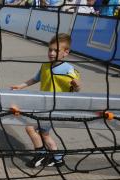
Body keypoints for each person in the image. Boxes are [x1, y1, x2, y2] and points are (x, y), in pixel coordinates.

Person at [11, 33, 81, 168]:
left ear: (66, 52)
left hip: (55, 108)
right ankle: (58, 158)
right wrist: (20, 86)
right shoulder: (45, 66)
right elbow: (35, 79)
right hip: (44, 106)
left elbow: (76, 88)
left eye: (56, 50)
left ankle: (40, 154)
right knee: (45, 134)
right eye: (50, 49)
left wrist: (77, 85)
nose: (52, 53)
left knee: (30, 128)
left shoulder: (68, 69)